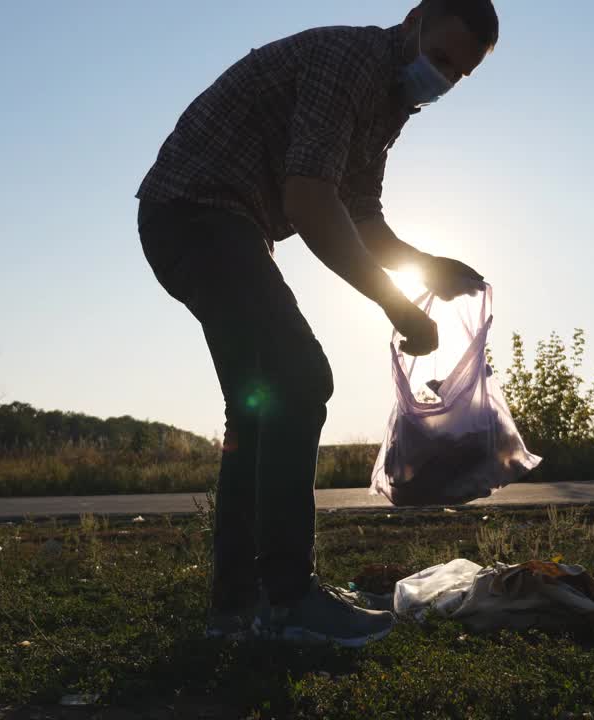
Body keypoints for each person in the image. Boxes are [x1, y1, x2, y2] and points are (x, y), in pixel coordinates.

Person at [136, 0, 498, 647]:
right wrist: (395, 303)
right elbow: (309, 201)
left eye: (458, 75)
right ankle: (288, 598)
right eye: (441, 58)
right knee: (301, 378)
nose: (442, 79)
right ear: (415, 17)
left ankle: (236, 607)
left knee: (260, 406)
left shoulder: (390, 102)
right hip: (197, 214)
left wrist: (425, 266)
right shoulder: (349, 63)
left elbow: (358, 213)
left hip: (221, 225)